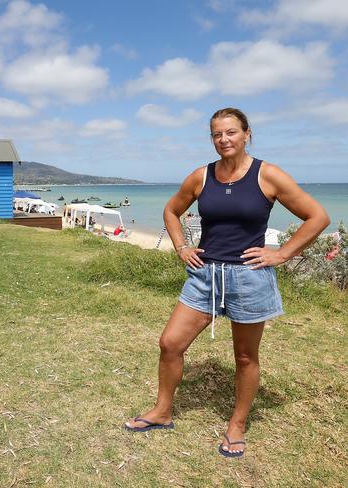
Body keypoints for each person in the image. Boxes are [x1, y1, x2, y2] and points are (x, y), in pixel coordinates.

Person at [124, 108, 329, 458]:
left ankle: (236, 425)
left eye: (231, 132)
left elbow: (317, 217)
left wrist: (281, 254)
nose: (224, 140)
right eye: (217, 134)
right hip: (205, 275)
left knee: (246, 357)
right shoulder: (202, 176)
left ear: (247, 134)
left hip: (249, 278)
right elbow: (172, 211)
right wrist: (182, 246)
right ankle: (162, 411)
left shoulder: (269, 175)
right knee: (170, 344)